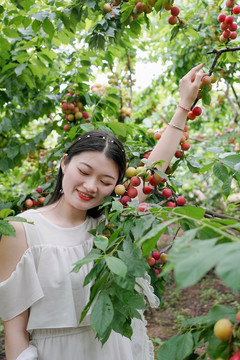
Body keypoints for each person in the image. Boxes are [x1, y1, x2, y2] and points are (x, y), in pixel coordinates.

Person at [0, 63, 204, 360]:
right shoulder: (21, 230)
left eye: (106, 181)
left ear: (117, 187)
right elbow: (15, 329)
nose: (91, 186)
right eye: (84, 171)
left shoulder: (110, 225)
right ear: (65, 163)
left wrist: (184, 104)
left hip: (119, 347)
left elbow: (153, 171)